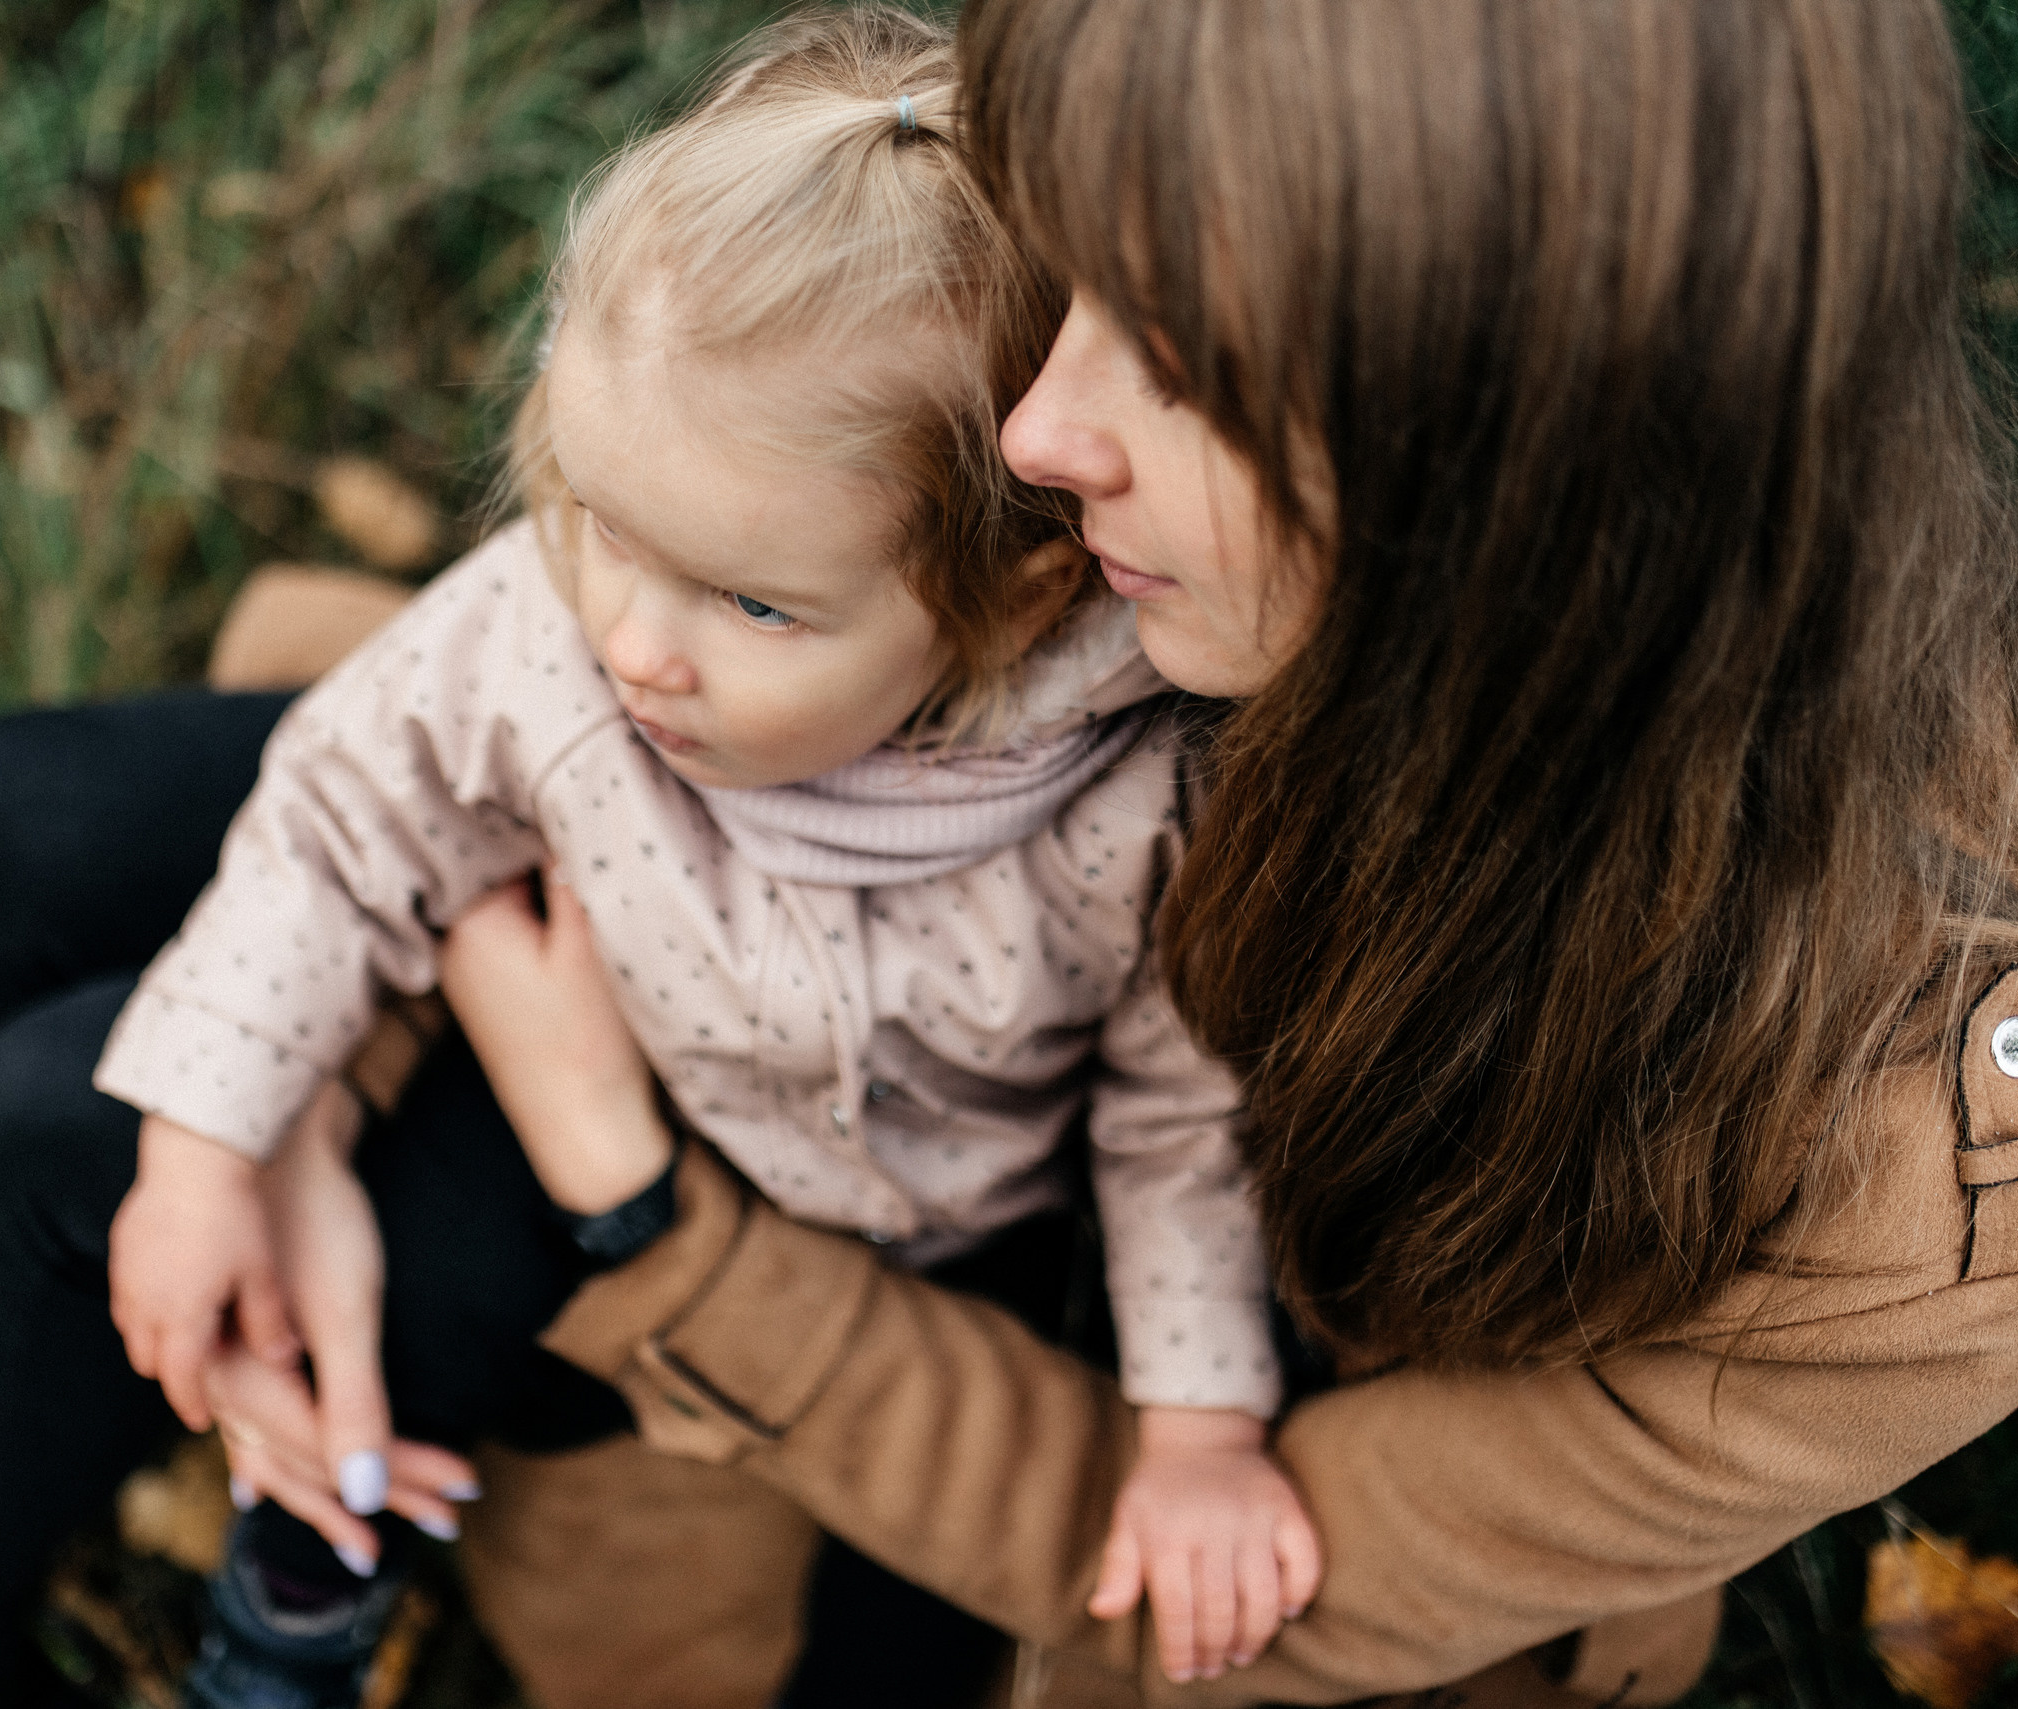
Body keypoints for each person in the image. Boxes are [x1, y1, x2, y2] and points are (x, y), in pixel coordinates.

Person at [207, 0, 2018, 1703]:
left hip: (1034, 1485)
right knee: (55, 886)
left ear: (1521, 455)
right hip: (816, 1092)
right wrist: (289, 1089)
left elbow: (1238, 1597)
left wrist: (638, 1215)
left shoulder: (1923, 1204)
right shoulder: (1170, 562)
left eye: (1183, 362)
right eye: (1074, 296)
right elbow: (584, 692)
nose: (1034, 436)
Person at [99, 1, 1310, 1670]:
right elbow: (331, 824)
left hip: (970, 1235)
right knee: (420, 1266)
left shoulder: (1123, 798)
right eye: (604, 523)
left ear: (1011, 587)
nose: (635, 644)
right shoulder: (543, 640)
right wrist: (199, 1141)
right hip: (646, 1094)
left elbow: (1178, 1113)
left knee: (922, 1623)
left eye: (752, 600)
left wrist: (1200, 1428)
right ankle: (301, 1585)